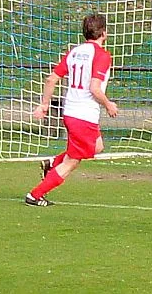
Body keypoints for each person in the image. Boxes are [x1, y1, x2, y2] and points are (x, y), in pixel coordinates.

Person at [25, 13, 118, 207]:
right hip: (84, 115)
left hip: (71, 112)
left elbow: (51, 79)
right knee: (72, 161)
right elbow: (94, 88)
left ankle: (52, 163)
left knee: (97, 146)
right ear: (104, 33)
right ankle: (35, 195)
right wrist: (108, 104)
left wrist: (44, 104)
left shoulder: (74, 52)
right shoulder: (102, 55)